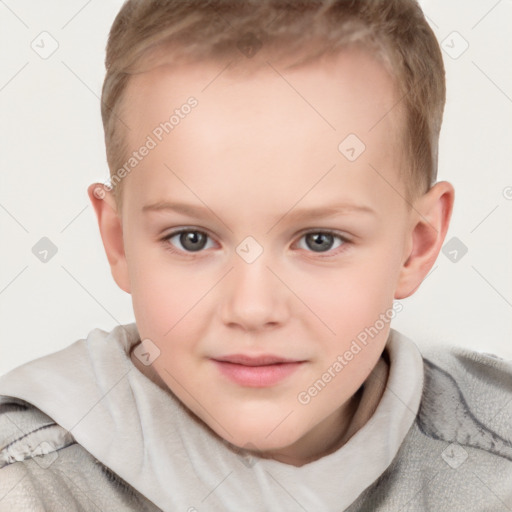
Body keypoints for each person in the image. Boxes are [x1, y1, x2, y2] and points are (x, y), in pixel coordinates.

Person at [0, 0, 511, 510]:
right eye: (192, 239)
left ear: (416, 245)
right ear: (118, 241)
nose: (251, 308)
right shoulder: (25, 487)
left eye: (319, 240)